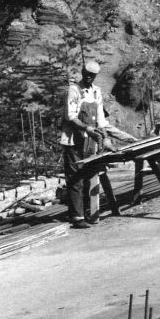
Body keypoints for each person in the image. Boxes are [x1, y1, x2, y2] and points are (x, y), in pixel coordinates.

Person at [58, 60, 132, 227]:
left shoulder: (96, 92)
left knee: (88, 176)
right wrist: (86, 128)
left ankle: (88, 212)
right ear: (83, 73)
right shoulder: (74, 90)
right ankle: (76, 217)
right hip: (72, 140)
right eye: (87, 75)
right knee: (75, 178)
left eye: (92, 76)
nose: (89, 78)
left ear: (95, 76)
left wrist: (105, 138)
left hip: (89, 142)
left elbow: (100, 120)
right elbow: (70, 116)